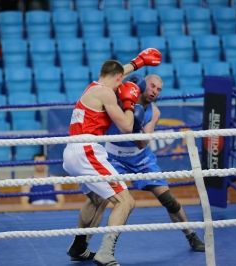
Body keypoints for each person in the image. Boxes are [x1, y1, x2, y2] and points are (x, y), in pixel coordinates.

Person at [63, 49, 161, 266]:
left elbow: (118, 72)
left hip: (72, 152)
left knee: (98, 198)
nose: (121, 85)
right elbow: (127, 127)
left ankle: (78, 248)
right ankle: (105, 253)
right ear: (117, 78)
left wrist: (138, 63)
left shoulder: (93, 87)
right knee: (126, 202)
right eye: (121, 81)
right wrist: (129, 103)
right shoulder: (107, 94)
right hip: (87, 151)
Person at [105, 74, 206, 252]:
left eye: (158, 90)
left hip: (141, 158)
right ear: (143, 84)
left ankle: (191, 234)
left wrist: (137, 125)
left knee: (169, 200)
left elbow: (143, 143)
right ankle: (84, 242)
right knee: (98, 199)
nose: (154, 92)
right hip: (114, 157)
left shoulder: (154, 112)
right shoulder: (120, 99)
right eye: (152, 86)